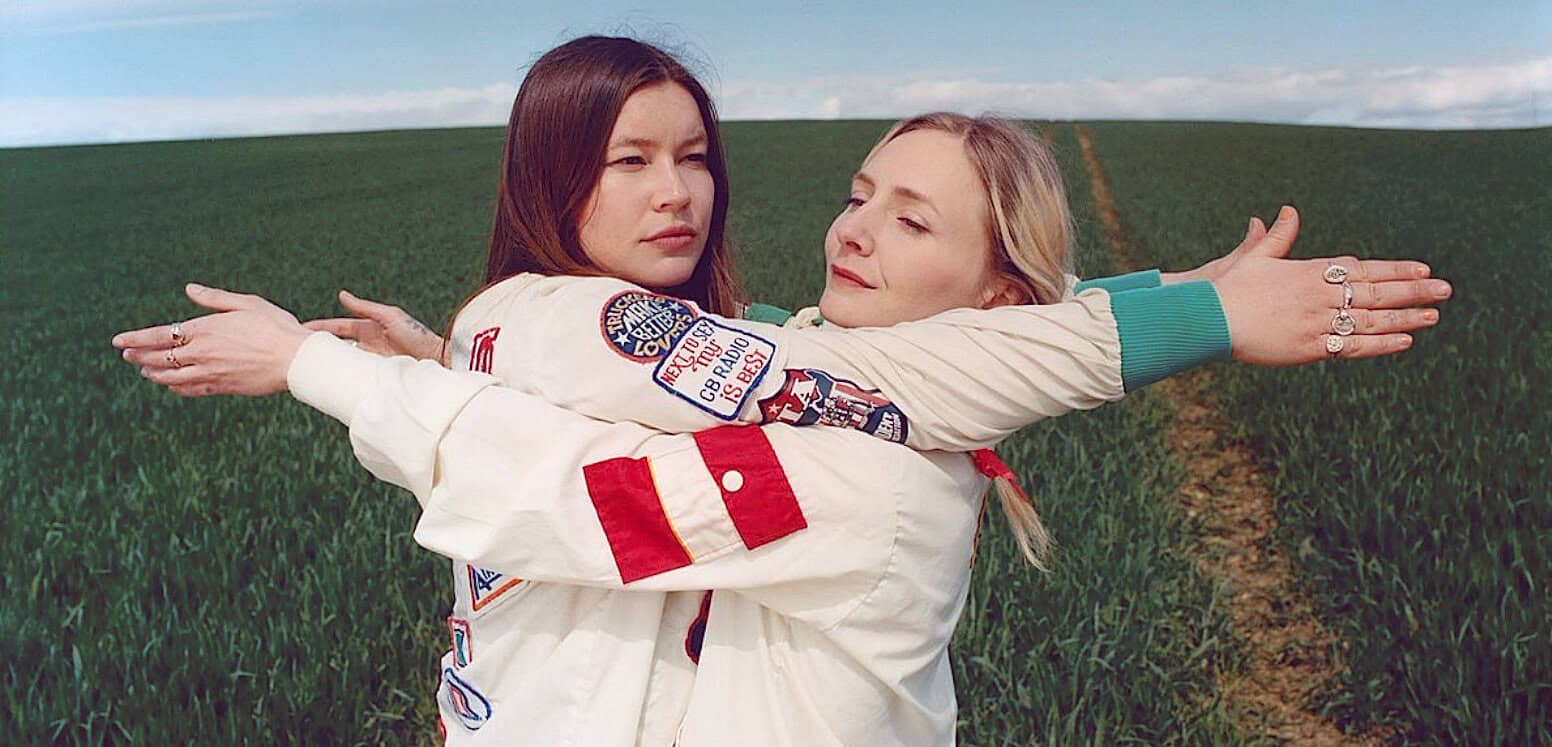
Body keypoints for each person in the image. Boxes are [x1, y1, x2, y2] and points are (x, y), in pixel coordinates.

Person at [112, 37, 1451, 744]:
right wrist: (1182, 302)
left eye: (694, 156)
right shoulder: (677, 347)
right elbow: (798, 348)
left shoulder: (859, 469)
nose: (853, 231)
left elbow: (594, 495)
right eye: (861, 194)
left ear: (997, 298)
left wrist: (326, 367)